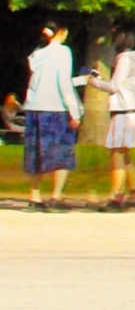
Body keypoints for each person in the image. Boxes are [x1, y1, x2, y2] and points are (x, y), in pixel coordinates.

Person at [23, 19, 82, 210]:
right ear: (62, 32)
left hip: (34, 107)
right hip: (56, 108)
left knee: (36, 153)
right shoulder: (63, 52)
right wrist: (74, 111)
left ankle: (35, 196)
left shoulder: (37, 53)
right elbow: (63, 83)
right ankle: (56, 197)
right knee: (62, 153)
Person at [99, 26, 135, 212]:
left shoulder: (125, 58)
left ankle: (116, 197)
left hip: (124, 111)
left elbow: (114, 86)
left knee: (117, 154)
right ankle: (134, 192)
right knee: (125, 153)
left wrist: (94, 82)